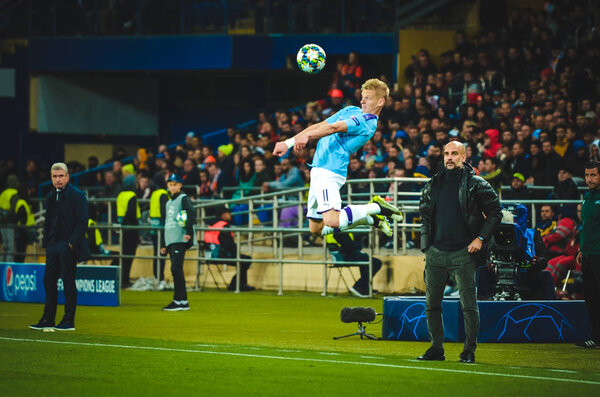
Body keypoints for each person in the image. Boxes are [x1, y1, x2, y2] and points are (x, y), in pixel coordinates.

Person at [272, 78, 402, 239]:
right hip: (318, 170)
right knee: (316, 228)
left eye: (367, 98)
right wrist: (288, 143)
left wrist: (307, 137)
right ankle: (371, 219)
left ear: (381, 101)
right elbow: (321, 125)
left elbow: (335, 127)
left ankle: (376, 207)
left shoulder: (367, 123)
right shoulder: (351, 110)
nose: (362, 101)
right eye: (362, 96)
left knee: (332, 221)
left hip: (330, 171)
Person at [418, 141, 502, 363]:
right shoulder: (433, 183)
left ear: (464, 157)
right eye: (446, 153)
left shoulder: (477, 184)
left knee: (468, 305)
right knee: (431, 304)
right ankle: (436, 349)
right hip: (436, 252)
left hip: (463, 252)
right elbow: (425, 216)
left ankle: (469, 351)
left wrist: (481, 238)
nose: (449, 157)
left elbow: (495, 213)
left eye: (454, 153)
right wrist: (427, 246)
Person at [30, 163, 90, 331]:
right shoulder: (50, 196)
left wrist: (70, 243)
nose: (58, 179)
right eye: (55, 176)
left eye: (60, 176)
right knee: (48, 281)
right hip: (53, 245)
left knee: (68, 282)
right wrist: (47, 243)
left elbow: (82, 222)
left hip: (67, 245)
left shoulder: (77, 196)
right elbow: (48, 221)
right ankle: (48, 319)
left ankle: (68, 320)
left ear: (67, 177)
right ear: (51, 178)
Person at [160, 174, 195, 311]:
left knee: (176, 268)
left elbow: (190, 214)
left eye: (175, 184)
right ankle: (182, 301)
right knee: (176, 269)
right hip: (171, 239)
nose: (172, 187)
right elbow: (167, 223)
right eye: (170, 185)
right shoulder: (169, 202)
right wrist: (163, 244)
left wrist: (188, 232)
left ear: (180, 185)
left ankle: (179, 300)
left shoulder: (183, 199)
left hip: (179, 238)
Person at [575, 160, 600, 348]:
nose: (589, 179)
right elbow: (587, 226)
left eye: (593, 175)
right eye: (587, 175)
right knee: (591, 298)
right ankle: (596, 338)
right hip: (588, 254)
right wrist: (581, 249)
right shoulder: (587, 197)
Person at [204, 206, 255, 292]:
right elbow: (228, 245)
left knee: (243, 260)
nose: (230, 215)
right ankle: (237, 284)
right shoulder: (224, 226)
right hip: (221, 255)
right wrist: (236, 252)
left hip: (209, 255)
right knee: (245, 260)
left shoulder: (211, 225)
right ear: (223, 215)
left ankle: (237, 284)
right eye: (228, 213)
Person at [326, 232, 382, 298]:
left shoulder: (335, 230)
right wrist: (358, 245)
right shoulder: (339, 232)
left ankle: (364, 287)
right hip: (345, 256)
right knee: (376, 262)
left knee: (366, 260)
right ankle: (358, 286)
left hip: (343, 256)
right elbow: (350, 246)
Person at [116, 175, 140, 288]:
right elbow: (131, 213)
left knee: (123, 254)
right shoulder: (132, 195)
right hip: (131, 229)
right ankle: (125, 279)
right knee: (129, 255)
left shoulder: (120, 195)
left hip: (122, 229)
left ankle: (122, 278)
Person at [0, 174, 19, 262]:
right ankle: (9, 265)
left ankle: (2, 264)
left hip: (1, 221)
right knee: (11, 246)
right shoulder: (14, 193)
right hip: (9, 222)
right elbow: (12, 210)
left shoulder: (3, 193)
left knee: (5, 245)